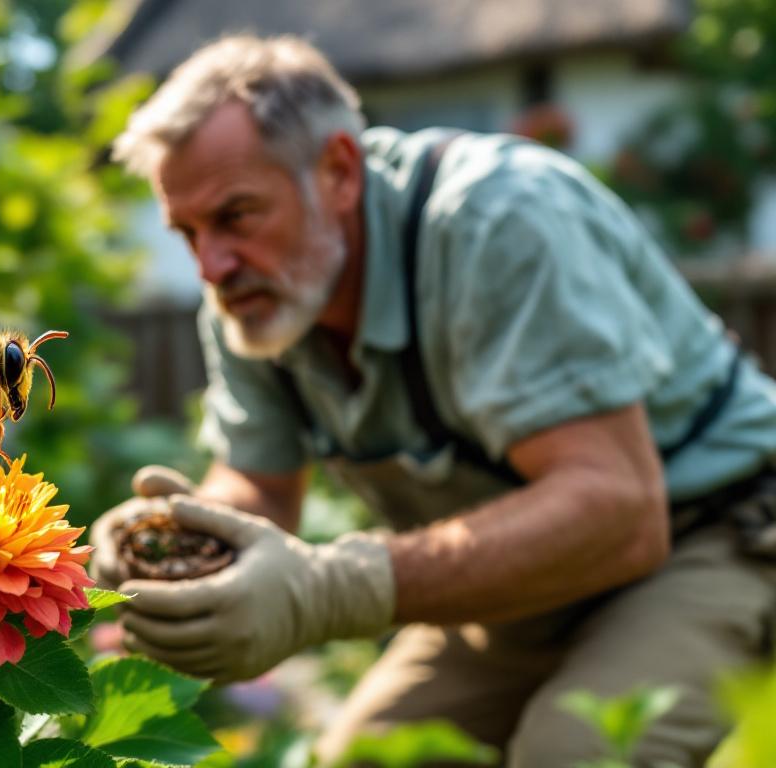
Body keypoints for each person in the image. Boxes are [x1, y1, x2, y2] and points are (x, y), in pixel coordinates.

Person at [92, 35, 776, 766]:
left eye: (235, 215)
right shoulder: (255, 293)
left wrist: (329, 589)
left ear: (338, 173)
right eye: (187, 231)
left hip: (712, 535)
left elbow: (619, 510)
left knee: (573, 752)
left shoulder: (497, 224)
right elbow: (259, 485)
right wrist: (177, 542)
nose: (211, 265)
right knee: (373, 760)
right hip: (523, 587)